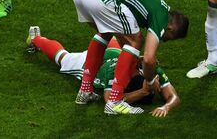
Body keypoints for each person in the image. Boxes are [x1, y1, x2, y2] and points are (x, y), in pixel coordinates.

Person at [72, 0, 189, 115]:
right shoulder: (161, 16)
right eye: (170, 37)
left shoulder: (156, 4)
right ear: (170, 28)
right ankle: (115, 101)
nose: (165, 40)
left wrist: (132, 59)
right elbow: (148, 58)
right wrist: (151, 81)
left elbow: (123, 40)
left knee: (106, 33)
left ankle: (85, 90)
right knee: (136, 40)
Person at [26, 27, 181, 117]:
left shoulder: (150, 70)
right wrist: (143, 92)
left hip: (115, 50)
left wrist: (166, 107)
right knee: (63, 59)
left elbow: (174, 97)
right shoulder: (113, 70)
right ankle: (36, 38)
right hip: (96, 61)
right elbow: (110, 101)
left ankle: (37, 38)